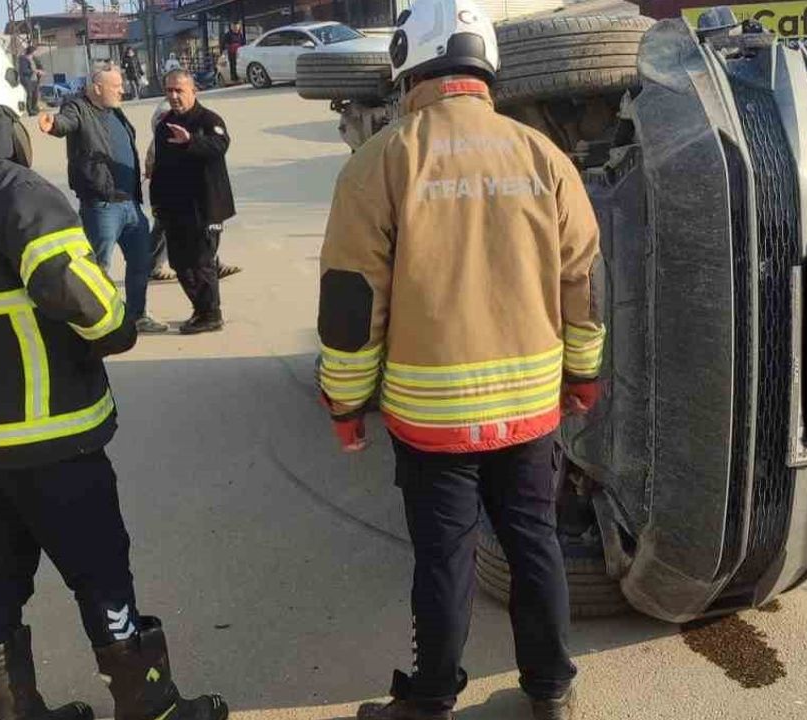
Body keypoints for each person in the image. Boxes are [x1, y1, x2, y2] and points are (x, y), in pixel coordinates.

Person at [0, 27, 228, 720]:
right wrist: (118, 325)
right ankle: (151, 705)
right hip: (55, 435)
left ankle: (10, 710)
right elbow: (87, 303)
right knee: (100, 569)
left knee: (0, 572)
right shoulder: (11, 189)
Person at [317, 0, 604, 717]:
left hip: (432, 420)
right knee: (533, 542)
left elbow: (353, 305)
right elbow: (585, 283)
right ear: (485, 68)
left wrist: (346, 406)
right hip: (531, 410)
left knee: (445, 559)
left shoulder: (380, 161)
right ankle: (551, 689)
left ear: (409, 66)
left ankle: (432, 699)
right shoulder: (545, 158)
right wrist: (584, 375)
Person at [38, 68, 168, 333]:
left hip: (131, 203)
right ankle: (100, 321)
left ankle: (137, 315)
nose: (122, 90)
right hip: (102, 206)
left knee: (141, 261)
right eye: (116, 85)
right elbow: (65, 122)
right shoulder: (78, 108)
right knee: (98, 266)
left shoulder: (115, 111)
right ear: (97, 88)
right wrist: (53, 125)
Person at [150, 70, 235, 334]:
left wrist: (190, 142)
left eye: (179, 90)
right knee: (180, 263)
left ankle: (212, 314)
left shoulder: (208, 120)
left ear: (193, 91)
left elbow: (219, 145)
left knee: (202, 262)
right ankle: (200, 310)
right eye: (169, 91)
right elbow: (161, 168)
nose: (174, 96)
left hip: (206, 208)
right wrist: (156, 202)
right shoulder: (164, 124)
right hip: (176, 209)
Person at [146, 99, 242, 283]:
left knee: (204, 231)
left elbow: (217, 145)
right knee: (165, 228)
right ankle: (151, 265)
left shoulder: (199, 115)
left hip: (194, 192)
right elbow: (155, 155)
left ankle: (211, 263)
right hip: (172, 191)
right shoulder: (166, 114)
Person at [17, 45, 44, 115]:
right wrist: (34, 71)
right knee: (30, 95)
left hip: (35, 79)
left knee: (36, 95)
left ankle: (35, 108)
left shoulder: (34, 59)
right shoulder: (23, 59)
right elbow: (24, 71)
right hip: (27, 80)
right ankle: (30, 110)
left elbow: (39, 65)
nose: (36, 53)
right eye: (35, 51)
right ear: (31, 52)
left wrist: (41, 71)